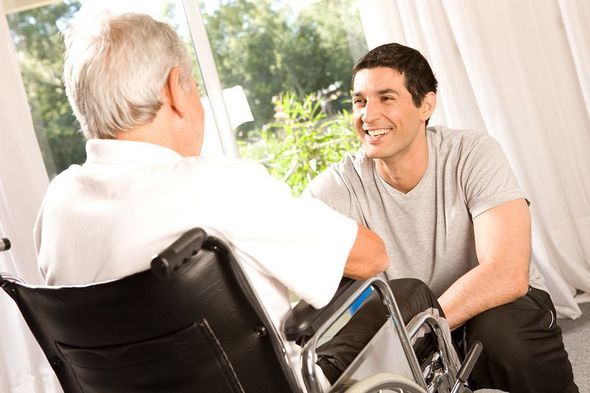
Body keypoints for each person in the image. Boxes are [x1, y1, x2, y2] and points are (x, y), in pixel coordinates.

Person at [33, 11, 445, 390]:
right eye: (193, 84)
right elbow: (371, 257)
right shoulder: (212, 184)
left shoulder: (57, 207)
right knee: (406, 293)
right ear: (177, 90)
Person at [306, 42, 578, 393]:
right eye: (359, 101)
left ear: (426, 104)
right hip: (410, 323)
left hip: (494, 310)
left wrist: (424, 329)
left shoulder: (472, 153)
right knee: (400, 300)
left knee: (501, 335)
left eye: (386, 98)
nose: (367, 116)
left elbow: (508, 273)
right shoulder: (337, 185)